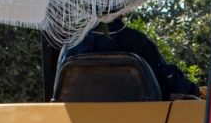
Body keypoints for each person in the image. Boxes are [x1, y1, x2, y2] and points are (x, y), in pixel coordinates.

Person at [58, 17, 199, 98]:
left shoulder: (72, 46)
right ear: (122, 6)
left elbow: (58, 91)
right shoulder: (136, 41)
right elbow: (168, 81)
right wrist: (193, 90)